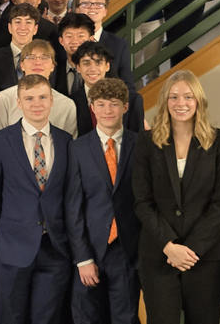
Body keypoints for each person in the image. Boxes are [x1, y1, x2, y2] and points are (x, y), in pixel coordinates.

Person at [131, 70, 220, 324]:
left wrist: (191, 250)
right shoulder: (146, 142)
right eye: (174, 97)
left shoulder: (219, 140)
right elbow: (142, 201)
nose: (181, 103)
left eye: (188, 97)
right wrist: (169, 245)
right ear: (165, 101)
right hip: (159, 254)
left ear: (199, 100)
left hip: (206, 257)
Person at [0, 74, 72, 324]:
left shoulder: (66, 141)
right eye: (29, 98)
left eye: (43, 97)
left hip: (55, 248)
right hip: (11, 248)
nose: (37, 103)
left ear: (52, 100)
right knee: (11, 317)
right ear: (19, 102)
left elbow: (70, 195)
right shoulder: (1, 141)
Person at [64, 78, 141, 324]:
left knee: (125, 317)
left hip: (127, 249)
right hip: (90, 248)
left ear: (125, 107)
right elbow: (73, 207)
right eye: (101, 104)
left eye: (114, 104)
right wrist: (83, 258)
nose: (108, 110)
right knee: (87, 316)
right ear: (92, 108)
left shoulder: (141, 145)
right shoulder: (77, 149)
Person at [0, 40, 78, 138]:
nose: (38, 62)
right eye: (31, 57)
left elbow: (69, 145)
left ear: (53, 66)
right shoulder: (4, 99)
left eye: (44, 57)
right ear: (21, 65)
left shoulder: (67, 105)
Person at [71, 42, 145, 136]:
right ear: (78, 68)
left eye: (98, 63)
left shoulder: (132, 100)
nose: (93, 69)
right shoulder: (71, 102)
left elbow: (139, 140)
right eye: (86, 63)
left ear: (107, 66)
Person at [75, 0, 137, 91]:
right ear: (77, 9)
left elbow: (128, 85)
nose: (92, 8)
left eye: (99, 4)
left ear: (105, 12)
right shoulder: (67, 41)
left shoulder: (119, 44)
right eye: (86, 4)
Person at [0, 3, 40, 90]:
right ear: (10, 28)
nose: (23, 27)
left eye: (28, 22)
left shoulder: (46, 59)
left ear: (35, 29)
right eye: (18, 22)